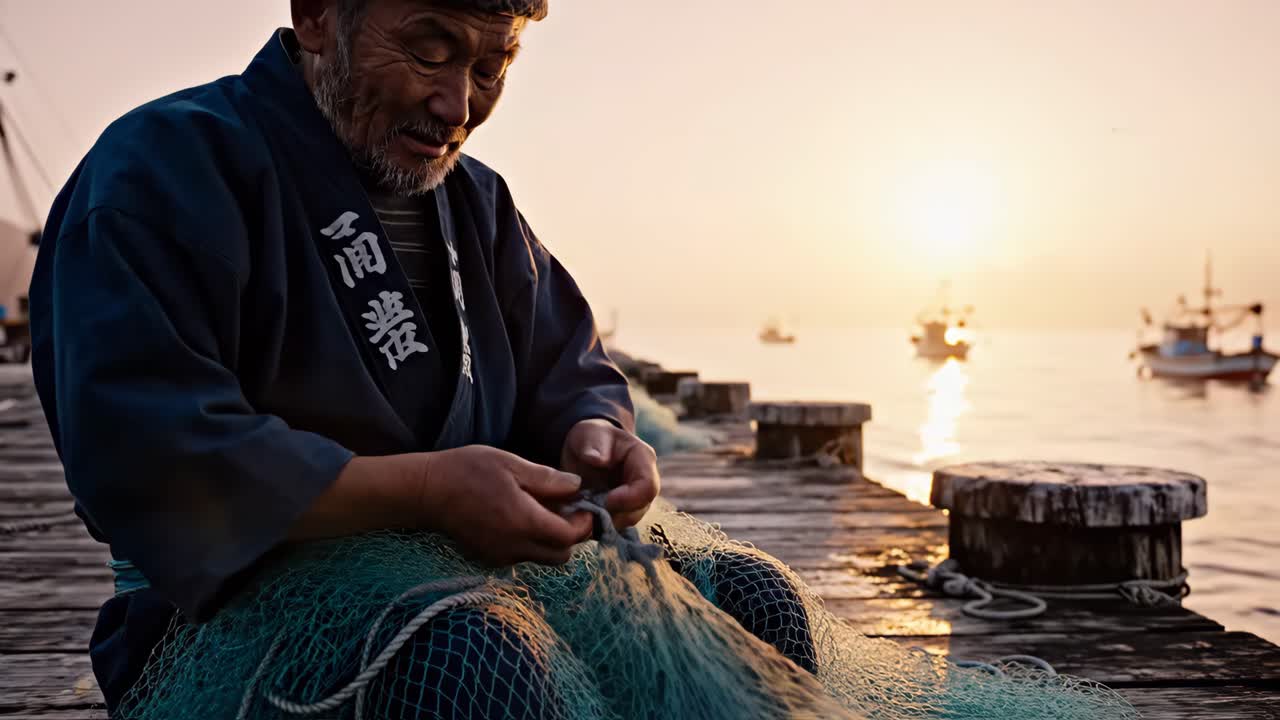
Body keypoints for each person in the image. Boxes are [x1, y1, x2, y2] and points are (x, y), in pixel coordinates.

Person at [29, 1, 811, 715]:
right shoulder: (163, 166)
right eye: (429, 52)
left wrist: (597, 438)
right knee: (474, 653)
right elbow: (147, 452)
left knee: (752, 597)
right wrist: (427, 489)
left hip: (485, 582)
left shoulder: (480, 204)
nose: (457, 106)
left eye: (489, 68)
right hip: (229, 622)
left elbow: (567, 369)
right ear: (317, 16)